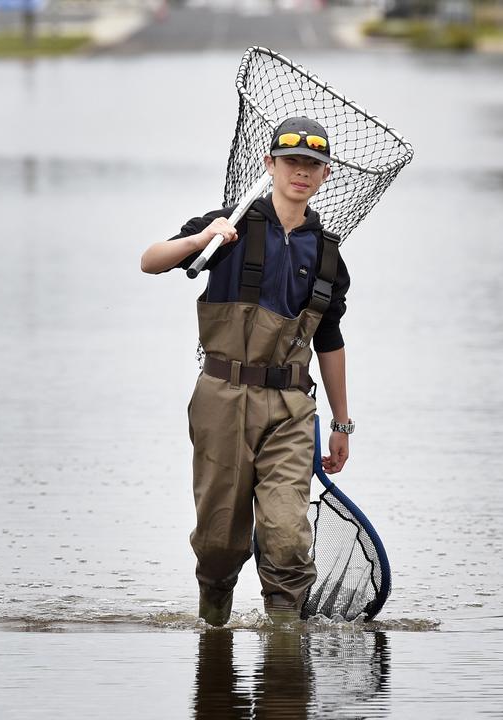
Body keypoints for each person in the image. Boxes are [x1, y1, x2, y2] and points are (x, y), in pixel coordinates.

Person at [140, 116, 356, 626]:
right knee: (218, 540)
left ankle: (285, 655)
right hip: (221, 396)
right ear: (270, 166)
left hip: (291, 408)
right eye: (292, 162)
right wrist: (199, 242)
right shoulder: (228, 227)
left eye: (313, 166)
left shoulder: (328, 255)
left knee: (286, 537)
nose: (301, 172)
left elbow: (329, 339)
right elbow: (150, 261)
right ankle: (213, 618)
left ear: (325, 176)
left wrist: (343, 422)